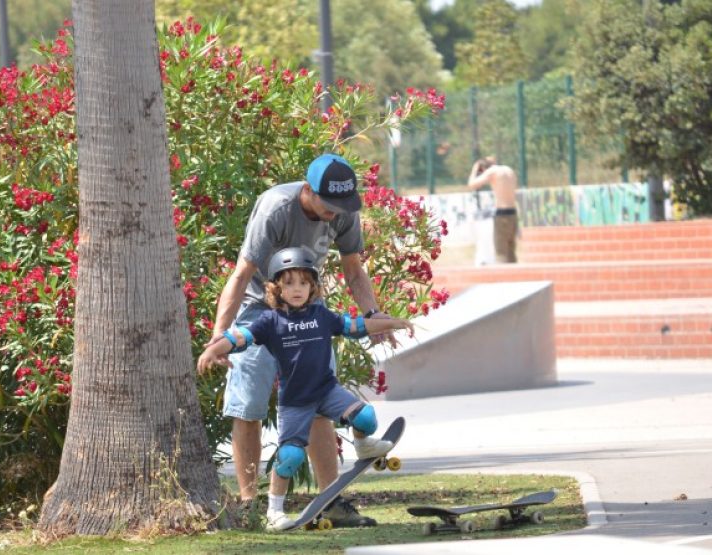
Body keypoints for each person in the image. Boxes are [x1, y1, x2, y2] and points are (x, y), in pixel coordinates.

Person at [206, 153, 394, 527]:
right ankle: (250, 506)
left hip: (308, 308)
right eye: (329, 205)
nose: (335, 213)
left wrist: (373, 316)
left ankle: (330, 501)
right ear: (308, 190)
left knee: (319, 399)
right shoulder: (276, 209)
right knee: (249, 405)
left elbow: (353, 269)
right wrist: (220, 336)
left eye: (342, 206)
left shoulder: (342, 210)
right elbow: (243, 274)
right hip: (258, 308)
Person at [198, 248, 414, 530]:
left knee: (366, 418)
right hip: (296, 402)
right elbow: (240, 337)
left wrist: (393, 322)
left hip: (327, 391)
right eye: (288, 283)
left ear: (313, 287)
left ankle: (363, 445)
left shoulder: (321, 315)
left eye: (303, 282)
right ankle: (275, 512)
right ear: (277, 288)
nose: (297, 289)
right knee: (290, 457)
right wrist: (215, 348)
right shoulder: (270, 321)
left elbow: (357, 325)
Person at [467, 157, 519, 263]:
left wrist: (475, 168)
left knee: (501, 253)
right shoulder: (509, 170)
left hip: (502, 214)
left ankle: (504, 278)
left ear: (483, 169)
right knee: (511, 252)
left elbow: (472, 184)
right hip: (513, 213)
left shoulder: (492, 172)